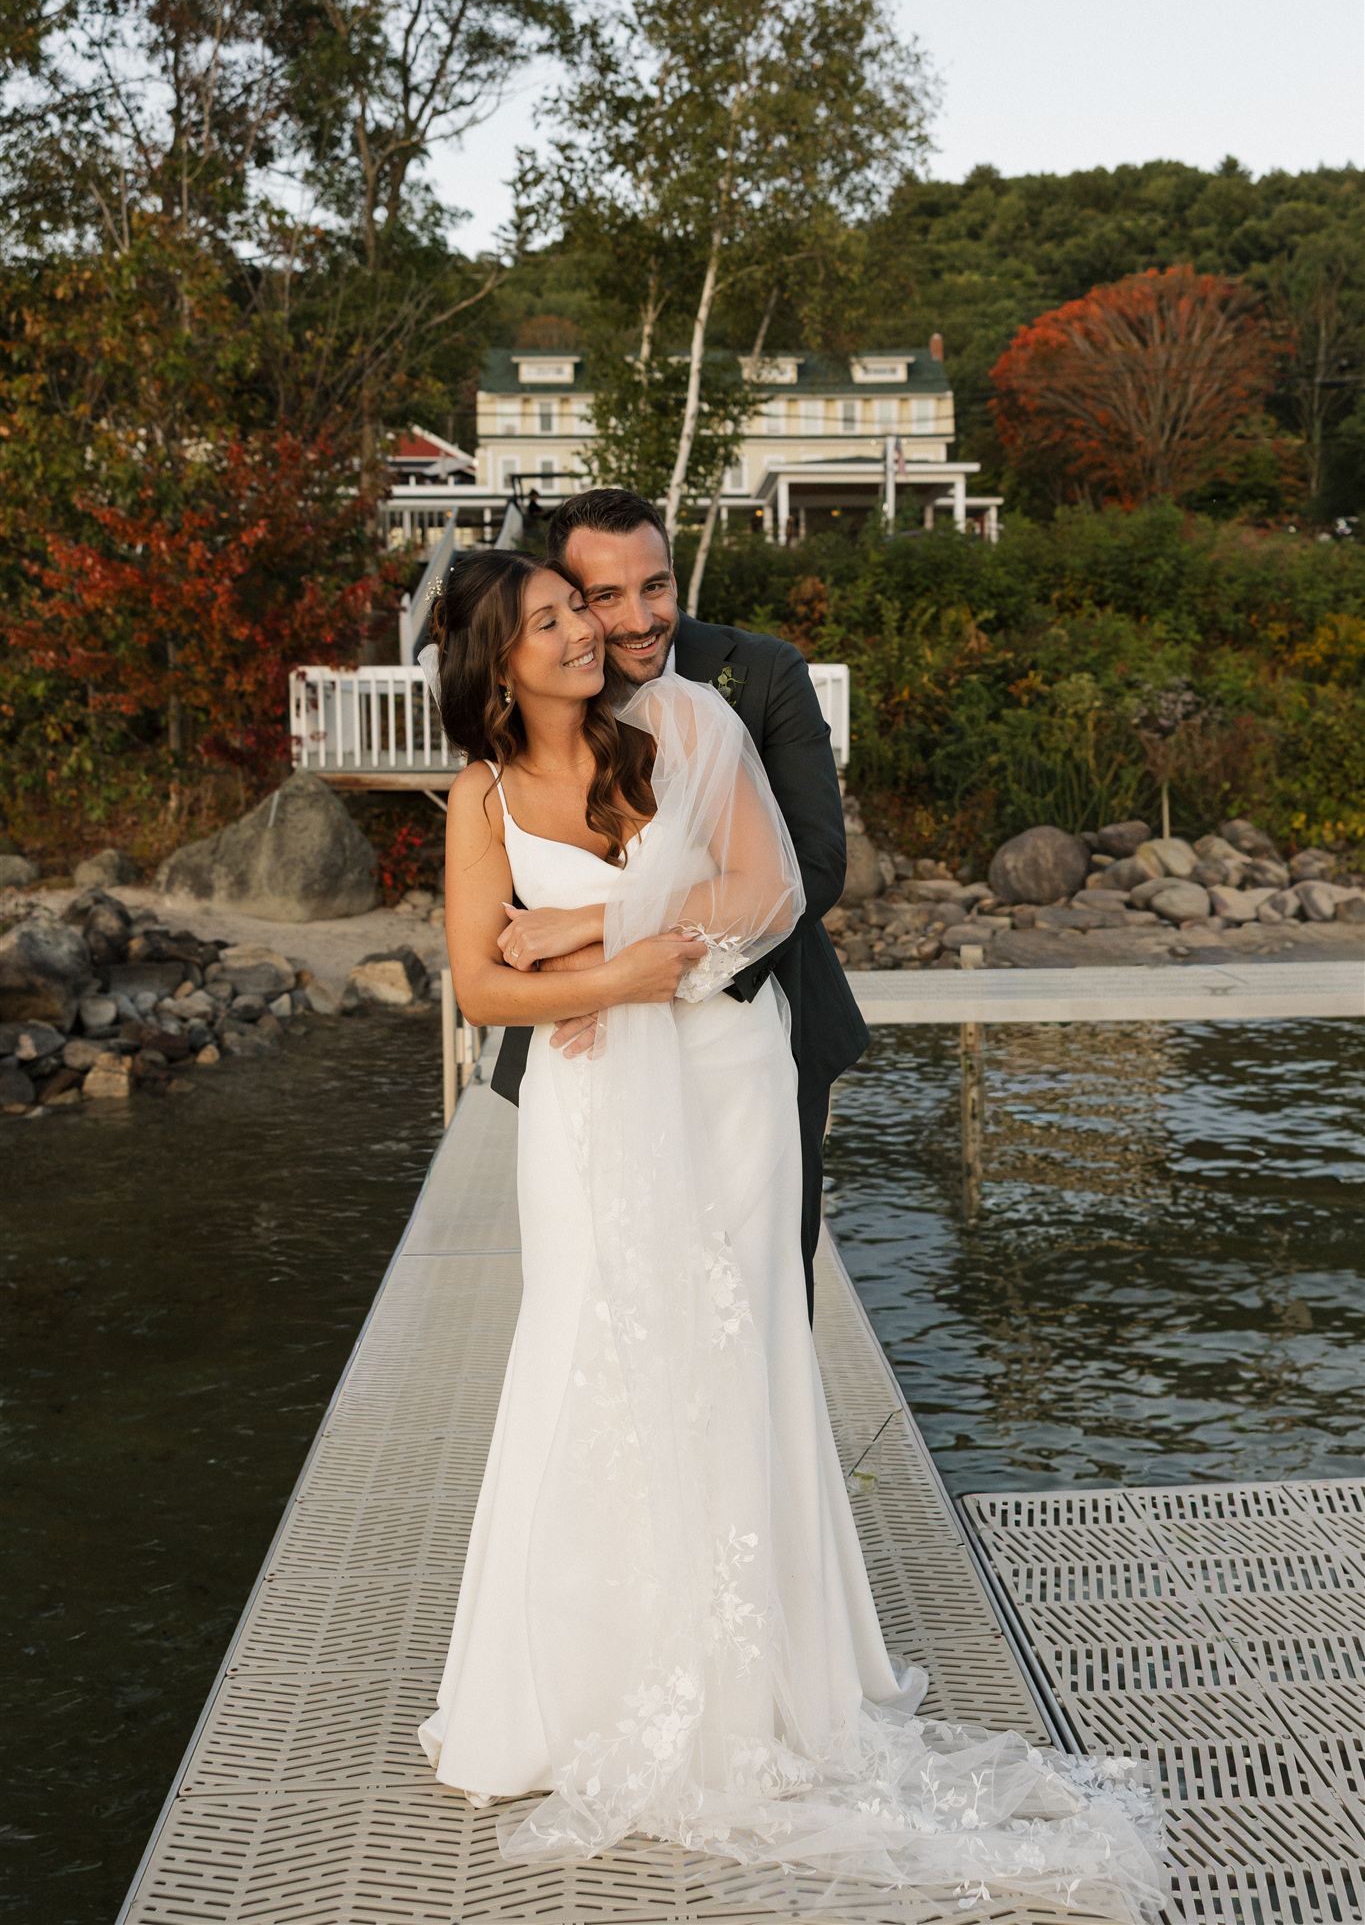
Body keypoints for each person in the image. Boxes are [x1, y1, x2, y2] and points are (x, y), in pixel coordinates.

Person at [412, 544, 1166, 1921]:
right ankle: (564, 1687)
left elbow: (767, 895)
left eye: (580, 606)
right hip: (586, 1108)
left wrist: (596, 941)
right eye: (550, 619)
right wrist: (609, 968)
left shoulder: (683, 725)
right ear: (494, 661)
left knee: (733, 1337)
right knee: (588, 1337)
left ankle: (764, 1679)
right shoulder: (475, 797)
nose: (586, 631)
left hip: (726, 1075)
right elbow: (475, 980)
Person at [489, 485, 867, 1327]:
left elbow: (813, 868)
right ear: (563, 597)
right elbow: (518, 891)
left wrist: (614, 950)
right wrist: (596, 986)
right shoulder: (533, 692)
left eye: (654, 587)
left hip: (751, 1027)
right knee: (601, 1304)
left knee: (756, 1301)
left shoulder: (761, 673)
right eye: (603, 597)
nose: (635, 620)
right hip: (584, 1054)